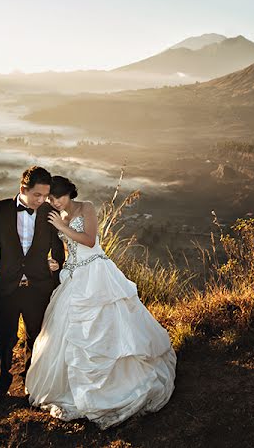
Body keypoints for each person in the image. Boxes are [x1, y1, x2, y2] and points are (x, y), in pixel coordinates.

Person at [25, 175, 176, 429]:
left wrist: (62, 227)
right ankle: (73, 388)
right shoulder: (54, 214)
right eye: (50, 198)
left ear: (69, 193)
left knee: (108, 325)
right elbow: (66, 250)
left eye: (58, 197)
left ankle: (119, 385)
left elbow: (89, 240)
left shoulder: (86, 208)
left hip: (96, 272)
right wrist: (55, 263)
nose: (55, 202)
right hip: (73, 275)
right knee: (70, 331)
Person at [0, 166, 65, 407]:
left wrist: (56, 267)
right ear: (22, 190)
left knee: (37, 338)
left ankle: (32, 383)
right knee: (3, 340)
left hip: (38, 288)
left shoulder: (50, 212)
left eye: (46, 195)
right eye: (37, 195)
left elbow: (58, 248)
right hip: (5, 288)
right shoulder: (0, 210)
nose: (42, 200)